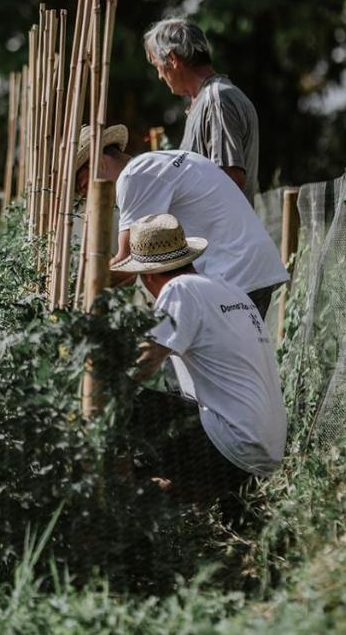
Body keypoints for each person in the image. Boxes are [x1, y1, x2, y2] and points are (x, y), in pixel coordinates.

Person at [117, 213, 286, 512]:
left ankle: (129, 506)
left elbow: (142, 366)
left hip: (232, 449)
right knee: (170, 406)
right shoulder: (228, 289)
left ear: (149, 276)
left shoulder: (179, 290)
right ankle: (197, 495)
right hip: (265, 453)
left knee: (133, 406)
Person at [74, 124, 288, 318]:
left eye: (84, 186)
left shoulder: (132, 177)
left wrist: (79, 291)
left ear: (101, 163)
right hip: (247, 265)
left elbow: (128, 260)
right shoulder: (154, 164)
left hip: (233, 272)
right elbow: (139, 267)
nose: (87, 197)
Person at [143, 18, 260, 203]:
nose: (159, 75)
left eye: (158, 66)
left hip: (221, 232)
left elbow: (229, 179)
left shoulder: (216, 100)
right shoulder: (206, 100)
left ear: (172, 59)